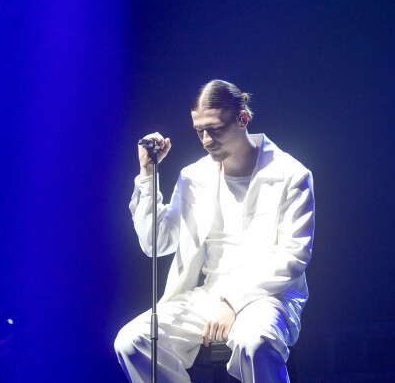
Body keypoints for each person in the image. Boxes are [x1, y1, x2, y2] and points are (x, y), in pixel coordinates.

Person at [114, 80, 315, 382]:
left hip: (269, 296)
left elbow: (293, 256)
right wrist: (148, 176)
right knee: (133, 341)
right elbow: (156, 244)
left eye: (215, 128)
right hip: (209, 296)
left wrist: (233, 302)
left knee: (254, 341)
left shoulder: (291, 174)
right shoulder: (194, 176)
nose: (206, 139)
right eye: (199, 130)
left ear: (242, 119)